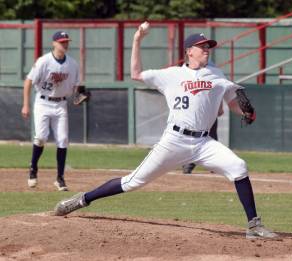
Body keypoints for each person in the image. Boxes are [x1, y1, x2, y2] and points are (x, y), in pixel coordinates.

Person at [54, 26, 277, 239]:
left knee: (239, 167)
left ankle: (253, 225)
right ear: (189, 51)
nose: (207, 50)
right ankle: (82, 199)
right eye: (202, 47)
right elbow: (135, 73)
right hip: (175, 141)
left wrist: (246, 114)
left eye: (208, 47)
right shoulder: (171, 75)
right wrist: (136, 40)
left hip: (204, 143)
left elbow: (232, 103)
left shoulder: (216, 75)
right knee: (133, 182)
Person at [21, 31, 80, 191]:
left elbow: (76, 87)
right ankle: (33, 169)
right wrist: (26, 105)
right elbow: (28, 82)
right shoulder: (44, 61)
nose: (64, 44)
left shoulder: (73, 64)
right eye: (61, 41)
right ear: (54, 43)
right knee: (41, 137)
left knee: (63, 139)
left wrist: (79, 96)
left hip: (61, 104)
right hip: (43, 103)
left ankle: (60, 179)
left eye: (66, 41)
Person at [182, 102, 223, 174]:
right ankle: (214, 165)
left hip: (198, 116)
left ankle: (189, 164)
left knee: (199, 138)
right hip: (207, 116)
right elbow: (220, 112)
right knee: (211, 138)